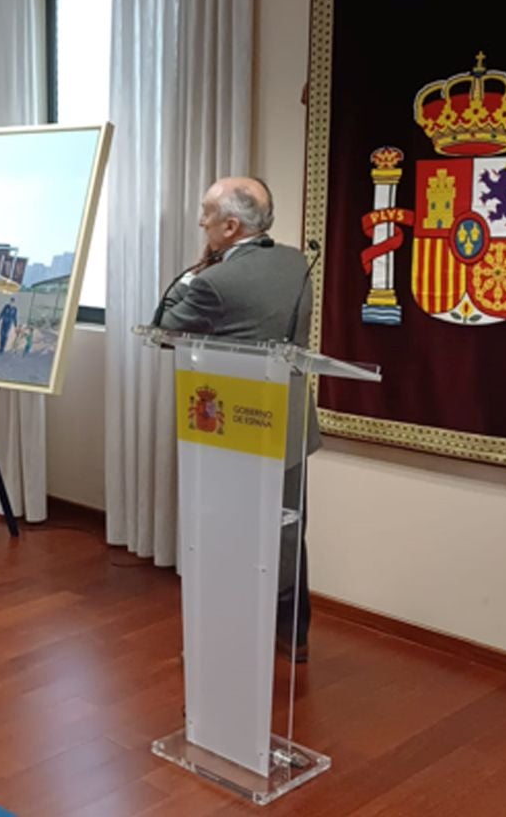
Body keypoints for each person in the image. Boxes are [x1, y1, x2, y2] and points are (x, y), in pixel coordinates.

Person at [156, 176, 320, 662]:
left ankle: (234, 635)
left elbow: (164, 330)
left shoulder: (213, 283)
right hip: (289, 426)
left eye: (207, 212)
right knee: (288, 530)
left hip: (233, 429)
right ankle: (294, 635)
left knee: (232, 534)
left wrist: (191, 274)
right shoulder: (295, 262)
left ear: (230, 226)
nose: (200, 221)